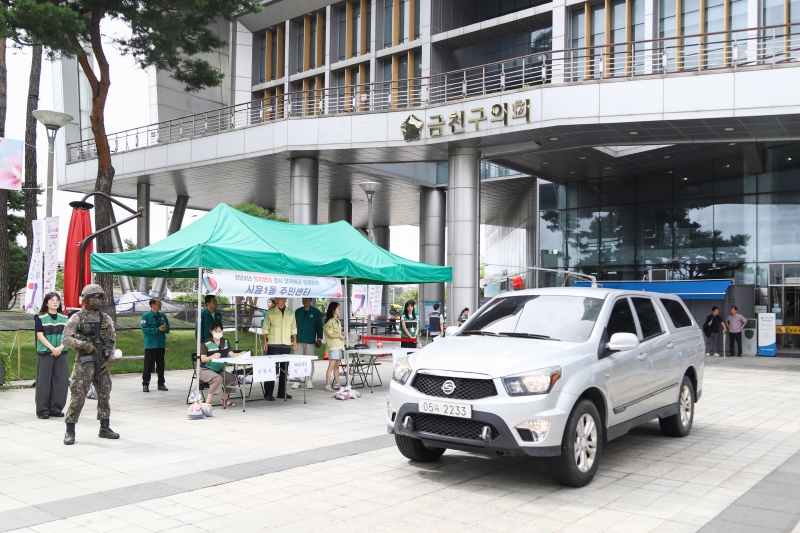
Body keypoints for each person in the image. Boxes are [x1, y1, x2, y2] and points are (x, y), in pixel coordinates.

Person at [61, 284, 119, 445]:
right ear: (86, 299)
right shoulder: (77, 317)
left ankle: (104, 427)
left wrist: (109, 360)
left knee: (104, 394)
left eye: (100, 297)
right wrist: (84, 345)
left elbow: (112, 340)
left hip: (101, 362)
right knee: (78, 396)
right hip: (84, 363)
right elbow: (65, 339)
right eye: (94, 297)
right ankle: (70, 430)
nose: (98, 300)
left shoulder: (106, 319)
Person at [34, 292, 69, 419]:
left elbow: (67, 336)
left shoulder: (65, 318)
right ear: (46, 303)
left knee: (60, 381)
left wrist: (59, 348)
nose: (55, 302)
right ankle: (42, 410)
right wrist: (52, 349)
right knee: (44, 381)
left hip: (61, 351)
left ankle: (55, 408)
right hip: (46, 352)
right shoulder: (40, 317)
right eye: (52, 300)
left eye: (57, 300)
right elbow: (40, 335)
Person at [261, 297, 297, 401]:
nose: (277, 300)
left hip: (286, 344)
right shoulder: (270, 312)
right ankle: (268, 393)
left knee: (284, 370)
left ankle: (282, 392)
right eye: (276, 298)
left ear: (285, 299)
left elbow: (293, 327)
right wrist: (265, 341)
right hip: (273, 344)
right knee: (271, 369)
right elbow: (265, 327)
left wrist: (294, 340)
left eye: (279, 298)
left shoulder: (290, 312)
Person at [199, 322, 241, 407]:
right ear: (211, 331)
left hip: (219, 370)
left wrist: (241, 354)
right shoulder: (206, 343)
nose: (218, 332)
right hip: (205, 370)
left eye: (220, 330)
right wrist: (212, 356)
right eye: (216, 330)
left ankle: (225, 399)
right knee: (217, 378)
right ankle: (208, 401)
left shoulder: (225, 342)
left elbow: (231, 354)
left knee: (231, 378)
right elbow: (203, 359)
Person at [141, 298, 170, 392]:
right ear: (152, 305)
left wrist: (165, 328)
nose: (160, 305)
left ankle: (161, 383)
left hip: (160, 344)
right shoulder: (145, 316)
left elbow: (168, 326)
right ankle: (145, 384)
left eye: (160, 303)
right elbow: (145, 329)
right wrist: (157, 330)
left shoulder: (162, 315)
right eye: (158, 303)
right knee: (148, 365)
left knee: (161, 365)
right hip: (150, 344)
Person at [294, 298, 323, 389]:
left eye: (306, 299)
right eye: (303, 299)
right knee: (297, 360)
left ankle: (309, 380)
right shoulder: (298, 311)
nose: (304, 301)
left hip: (310, 339)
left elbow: (319, 326)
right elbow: (293, 325)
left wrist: (319, 338)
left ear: (311, 300)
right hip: (298, 339)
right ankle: (297, 379)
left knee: (310, 360)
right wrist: (293, 337)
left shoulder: (315, 312)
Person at [323, 302, 346, 391]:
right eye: (338, 308)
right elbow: (330, 334)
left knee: (337, 366)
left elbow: (335, 332)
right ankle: (328, 385)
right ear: (333, 310)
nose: (339, 310)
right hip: (333, 347)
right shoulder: (330, 322)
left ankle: (337, 383)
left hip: (339, 346)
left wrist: (341, 333)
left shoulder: (337, 321)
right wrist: (339, 336)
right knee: (331, 366)